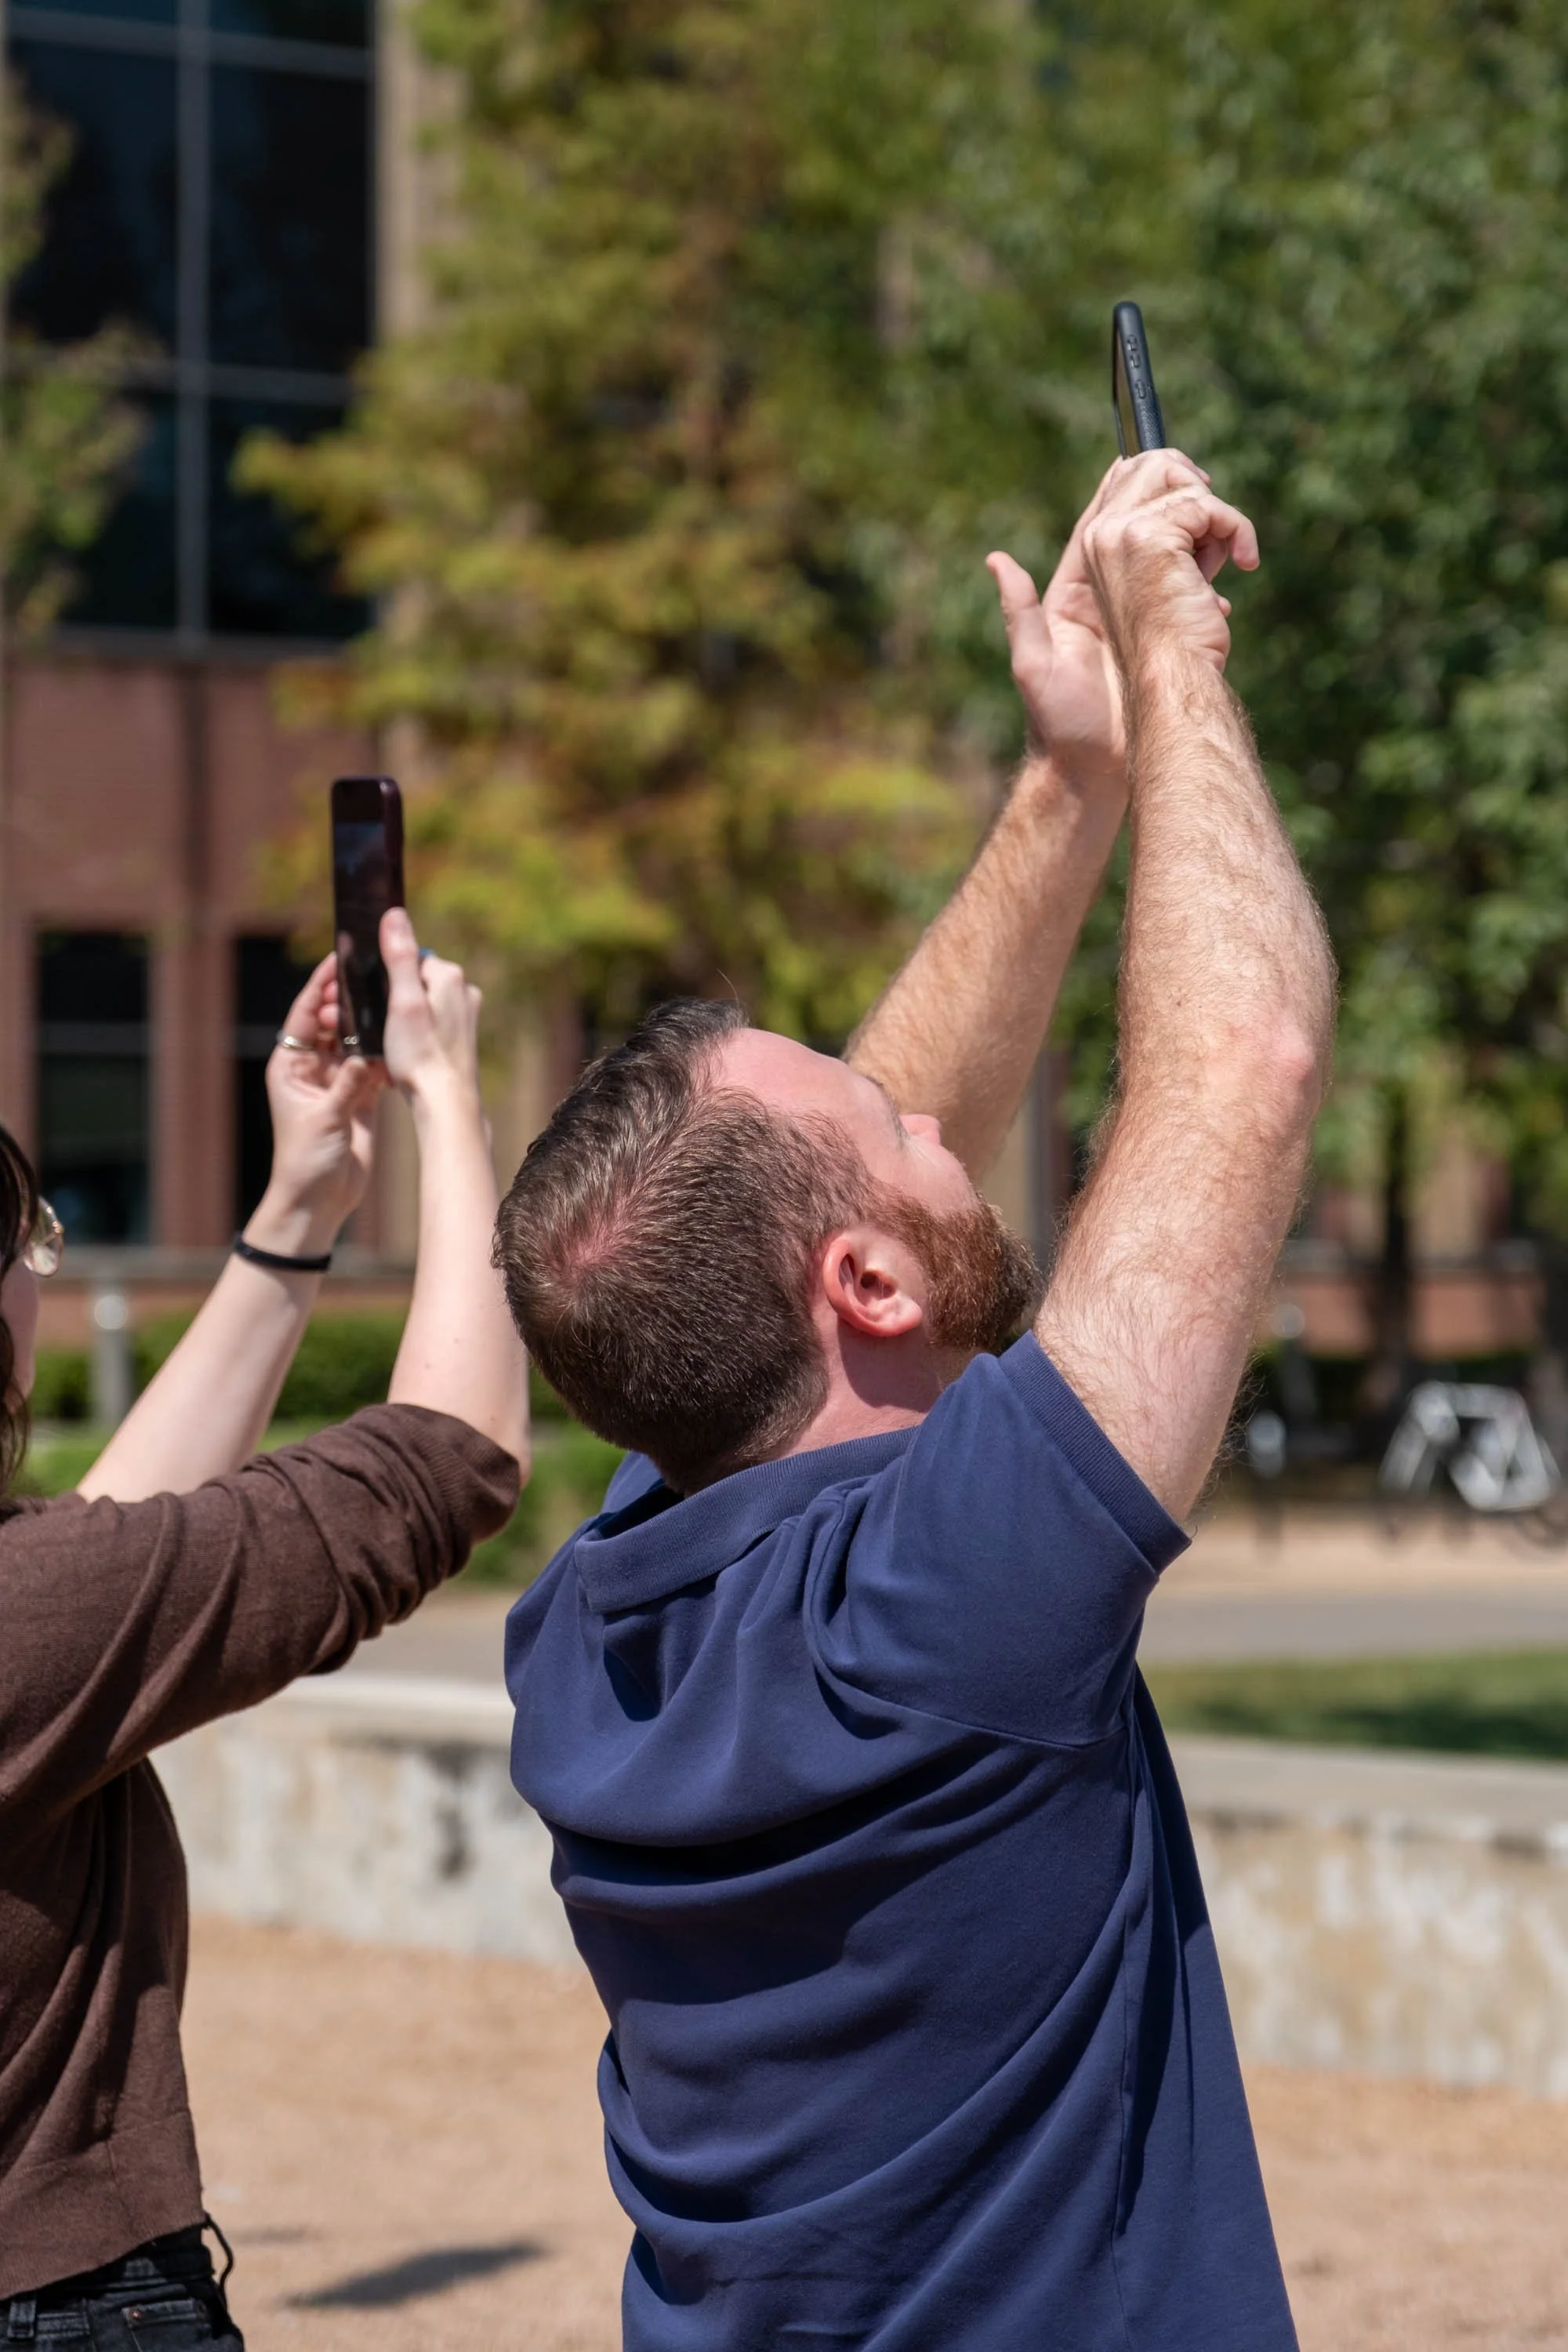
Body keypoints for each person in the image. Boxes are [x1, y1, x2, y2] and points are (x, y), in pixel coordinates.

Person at [497, 450, 1336, 2350]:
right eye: (908, 1141)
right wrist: (1174, 646)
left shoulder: (596, 1634)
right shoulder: (952, 1611)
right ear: (863, 1290)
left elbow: (781, 1214)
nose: (942, 1122)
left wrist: (1071, 781)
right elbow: (1243, 1066)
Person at [0, 912, 528, 2343]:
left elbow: (101, 1562)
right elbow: (456, 1455)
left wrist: (298, 1211)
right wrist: (453, 1105)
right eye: (24, 1253)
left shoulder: (36, 1617)